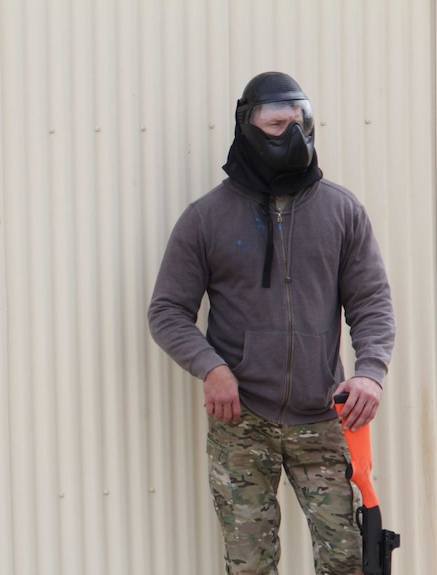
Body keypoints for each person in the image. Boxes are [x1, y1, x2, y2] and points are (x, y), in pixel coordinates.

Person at [147, 71, 395, 575]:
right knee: (250, 565)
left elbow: (371, 302)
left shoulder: (342, 211)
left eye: (301, 121)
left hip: (324, 417)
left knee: (349, 560)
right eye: (278, 123)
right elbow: (167, 310)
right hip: (242, 426)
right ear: (248, 127)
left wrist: (370, 371)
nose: (294, 133)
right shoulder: (206, 217)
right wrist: (211, 368)